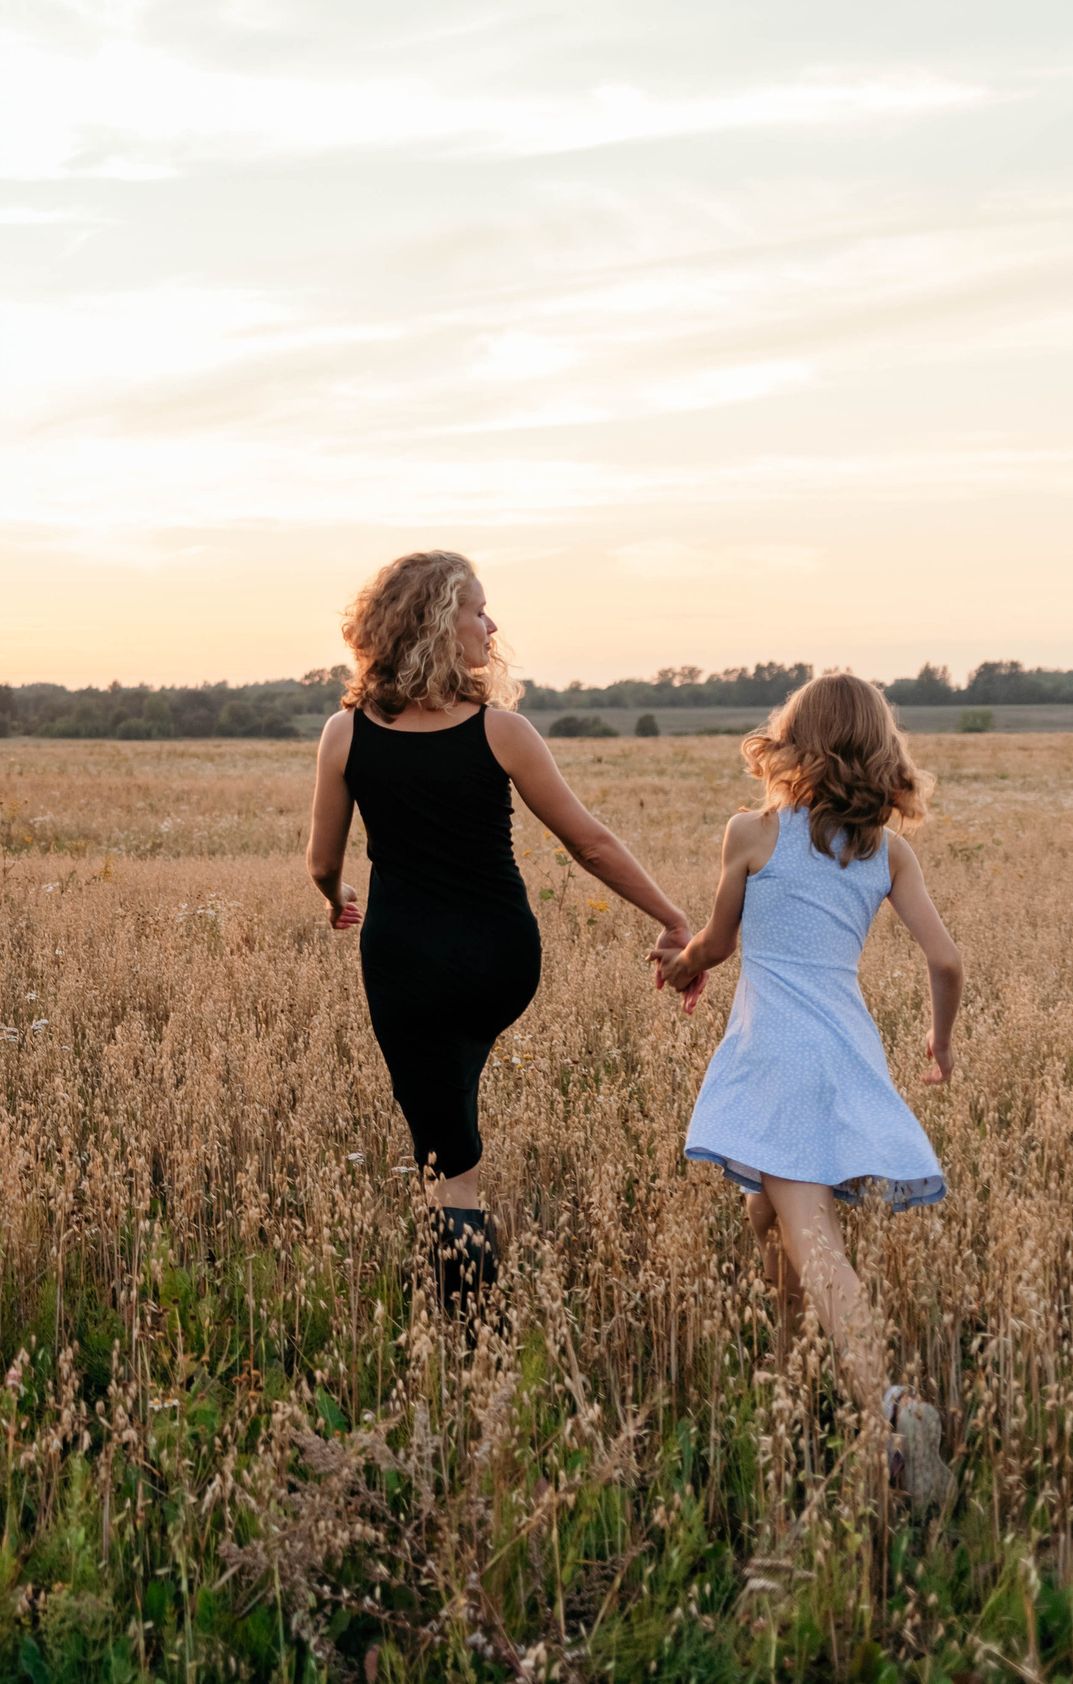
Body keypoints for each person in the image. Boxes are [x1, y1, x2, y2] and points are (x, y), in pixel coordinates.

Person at [307, 551, 699, 1303]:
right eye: (476, 609)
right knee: (450, 1101)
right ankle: (460, 1273)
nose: (491, 624)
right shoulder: (501, 731)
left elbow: (322, 858)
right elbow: (590, 842)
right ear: (435, 624)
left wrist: (335, 895)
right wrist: (672, 917)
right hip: (501, 963)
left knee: (447, 1155)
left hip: (407, 968)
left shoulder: (345, 733)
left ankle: (466, 1327)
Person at [658, 671, 960, 1507]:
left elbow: (716, 943)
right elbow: (946, 961)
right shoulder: (888, 852)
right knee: (768, 1217)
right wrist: (939, 1039)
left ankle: (892, 1409)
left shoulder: (752, 833)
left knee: (812, 1240)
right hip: (845, 1052)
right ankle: (788, 1386)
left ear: (793, 741)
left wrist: (679, 966)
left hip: (777, 1062)